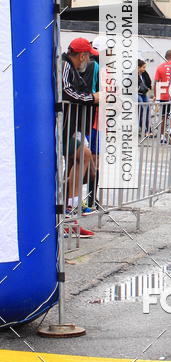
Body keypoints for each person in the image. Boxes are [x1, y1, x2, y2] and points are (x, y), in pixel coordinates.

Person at [61, 37, 99, 237]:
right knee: (83, 156)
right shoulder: (65, 65)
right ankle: (69, 210)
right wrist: (92, 98)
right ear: (82, 55)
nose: (88, 60)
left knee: (87, 164)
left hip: (72, 127)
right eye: (87, 56)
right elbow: (66, 92)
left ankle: (71, 209)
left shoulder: (73, 68)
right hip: (63, 128)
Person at [154, 50, 171, 144]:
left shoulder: (160, 67)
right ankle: (170, 133)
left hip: (163, 96)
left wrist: (155, 95)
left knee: (163, 117)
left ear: (165, 57)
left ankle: (162, 137)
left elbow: (155, 82)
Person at [138, 60, 152, 137]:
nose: (144, 69)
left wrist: (148, 88)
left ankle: (148, 129)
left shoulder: (144, 74)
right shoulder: (133, 75)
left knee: (148, 108)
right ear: (138, 67)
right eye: (143, 67)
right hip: (137, 94)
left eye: (145, 67)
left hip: (143, 93)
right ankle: (144, 129)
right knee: (142, 108)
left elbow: (149, 82)